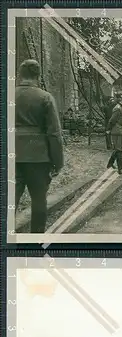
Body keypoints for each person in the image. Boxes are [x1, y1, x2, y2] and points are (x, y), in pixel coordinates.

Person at [15, 59, 64, 233]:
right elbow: (54, 134)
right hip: (38, 157)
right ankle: (35, 244)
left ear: (20, 75)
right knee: (38, 201)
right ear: (38, 75)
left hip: (12, 156)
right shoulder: (45, 97)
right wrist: (58, 162)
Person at [106, 92, 122, 174]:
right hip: (117, 131)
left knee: (117, 149)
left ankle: (110, 164)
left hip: (119, 130)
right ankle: (120, 169)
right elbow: (112, 120)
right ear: (118, 99)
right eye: (120, 98)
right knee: (119, 150)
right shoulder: (118, 109)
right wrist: (108, 129)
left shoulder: (120, 107)